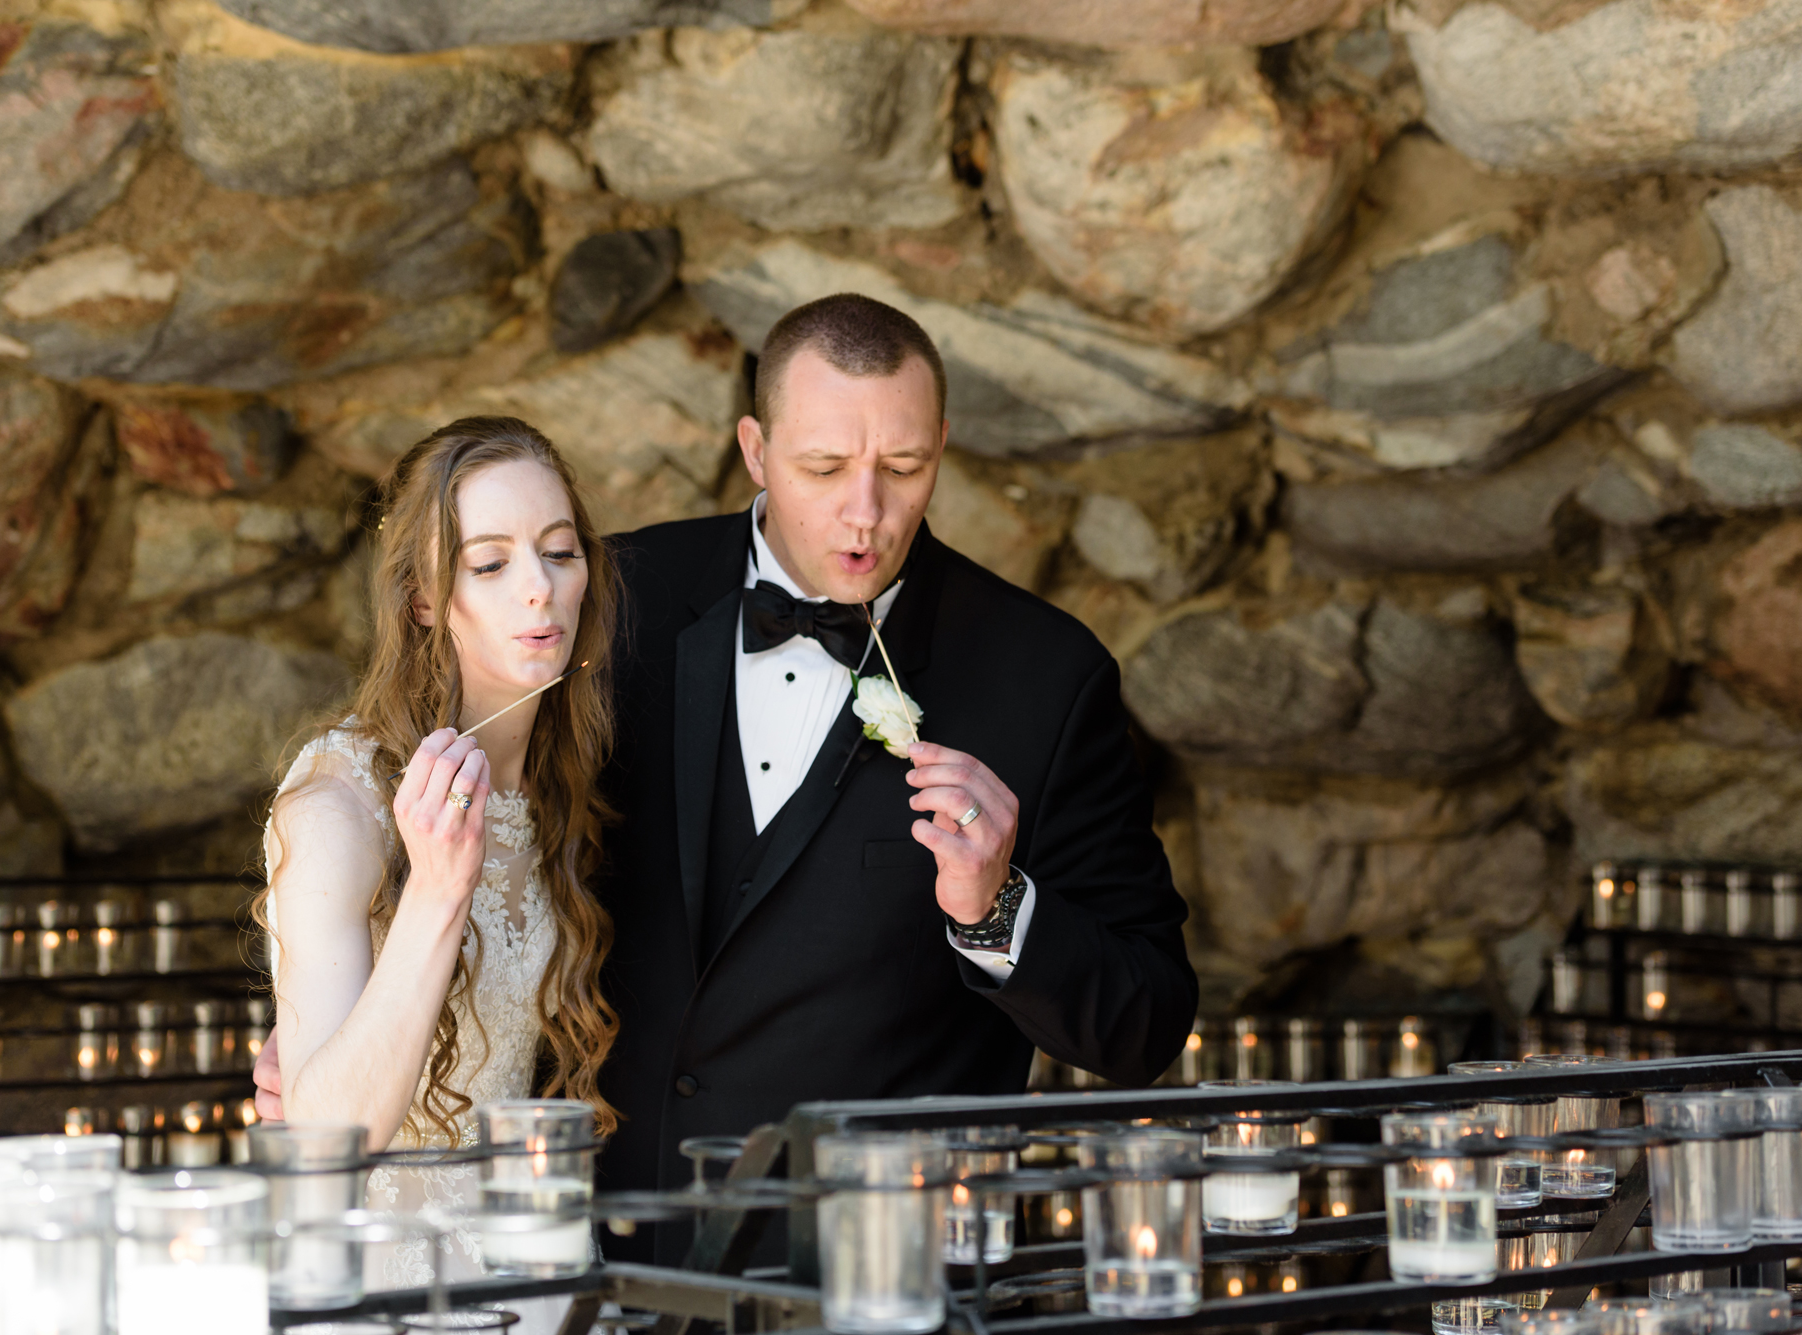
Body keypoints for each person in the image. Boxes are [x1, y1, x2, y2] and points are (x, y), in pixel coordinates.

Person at [592, 292, 1198, 1261]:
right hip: (607, 1259)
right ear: (754, 448)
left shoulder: (1043, 674)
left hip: (885, 1271)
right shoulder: (608, 603)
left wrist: (993, 907)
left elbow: (1142, 1021)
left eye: (903, 467)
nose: (864, 513)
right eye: (822, 468)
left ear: (942, 447)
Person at [255, 415, 620, 1287]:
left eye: (560, 552)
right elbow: (319, 1147)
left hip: (532, 1265)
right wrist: (437, 891)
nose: (538, 588)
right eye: (489, 563)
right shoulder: (336, 804)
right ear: (423, 596)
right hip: (376, 1279)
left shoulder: (565, 783)